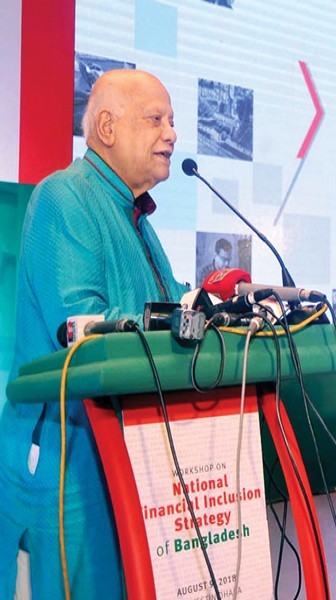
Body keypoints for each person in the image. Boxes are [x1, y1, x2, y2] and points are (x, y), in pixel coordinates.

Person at [0, 70, 187, 597]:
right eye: (156, 119)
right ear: (106, 126)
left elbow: (167, 306)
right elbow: (85, 326)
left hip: (126, 459)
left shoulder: (136, 218)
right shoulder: (64, 198)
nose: (172, 133)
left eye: (172, 121)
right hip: (67, 464)